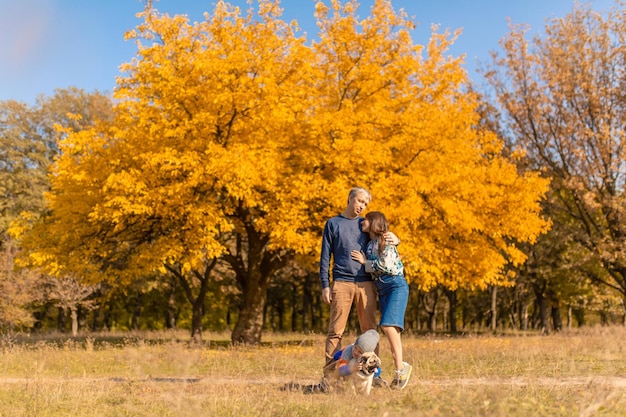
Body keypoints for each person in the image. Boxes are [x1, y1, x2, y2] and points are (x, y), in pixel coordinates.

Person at [318, 187, 398, 391]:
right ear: (350, 198)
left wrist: (395, 239)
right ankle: (329, 377)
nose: (361, 206)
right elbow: (325, 257)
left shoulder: (365, 225)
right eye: (359, 201)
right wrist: (325, 285)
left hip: (366, 284)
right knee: (335, 331)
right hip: (341, 283)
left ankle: (375, 374)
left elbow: (385, 238)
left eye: (365, 204)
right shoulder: (333, 224)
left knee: (370, 331)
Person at [351, 211, 412, 390]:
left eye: (367, 219)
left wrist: (365, 263)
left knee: (387, 326)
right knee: (392, 330)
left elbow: (385, 265)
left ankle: (401, 369)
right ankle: (399, 371)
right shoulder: (370, 245)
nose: (363, 221)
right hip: (383, 289)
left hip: (395, 286)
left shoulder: (386, 239)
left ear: (375, 222)